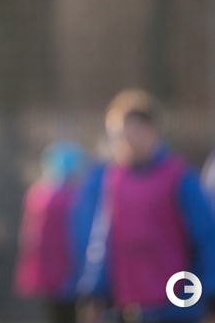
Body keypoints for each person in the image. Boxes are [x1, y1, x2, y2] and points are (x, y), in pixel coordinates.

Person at [75, 89, 215, 323]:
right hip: (132, 306)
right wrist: (95, 292)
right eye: (118, 135)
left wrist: (210, 294)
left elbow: (206, 238)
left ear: (152, 130)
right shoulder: (113, 180)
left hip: (177, 306)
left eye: (133, 132)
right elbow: (103, 239)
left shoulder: (179, 177)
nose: (125, 141)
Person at [14, 140, 87, 323]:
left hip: (49, 271)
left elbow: (27, 237)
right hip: (67, 270)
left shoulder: (37, 193)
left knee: (56, 313)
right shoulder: (76, 194)